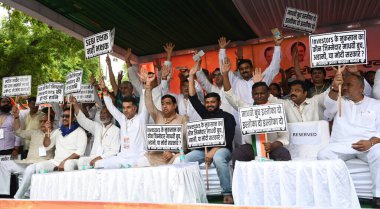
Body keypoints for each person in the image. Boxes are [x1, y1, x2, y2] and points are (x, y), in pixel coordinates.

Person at [317, 71, 380, 208]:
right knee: (323, 155)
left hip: (368, 145)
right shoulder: (339, 102)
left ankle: (377, 196)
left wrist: (371, 142)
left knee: (379, 153)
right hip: (342, 144)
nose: (345, 88)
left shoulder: (376, 105)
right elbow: (328, 106)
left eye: (349, 85)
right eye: (343, 85)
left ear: (361, 88)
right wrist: (334, 88)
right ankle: (336, 194)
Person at [187, 62, 236, 204]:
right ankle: (192, 192)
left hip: (222, 150)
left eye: (212, 102)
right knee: (185, 160)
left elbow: (228, 139)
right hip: (204, 150)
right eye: (207, 102)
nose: (209, 104)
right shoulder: (204, 114)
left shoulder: (228, 117)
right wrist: (191, 76)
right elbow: (192, 97)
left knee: (219, 159)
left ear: (219, 103)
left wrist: (213, 151)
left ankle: (227, 192)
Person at [14, 107, 87, 199]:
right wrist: (48, 133)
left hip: (72, 161)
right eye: (63, 116)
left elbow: (79, 152)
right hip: (56, 161)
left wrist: (64, 162)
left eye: (67, 116)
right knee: (36, 168)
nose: (64, 118)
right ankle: (23, 196)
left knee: (68, 164)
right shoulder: (58, 131)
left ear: (74, 118)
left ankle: (68, 197)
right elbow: (47, 145)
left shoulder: (80, 132)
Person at [97, 75, 150, 168]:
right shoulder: (122, 119)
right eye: (124, 107)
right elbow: (111, 107)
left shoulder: (141, 119)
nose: (125, 110)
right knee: (99, 164)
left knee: (140, 164)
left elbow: (146, 102)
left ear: (135, 108)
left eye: (128, 107)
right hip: (122, 157)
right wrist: (104, 90)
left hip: (138, 157)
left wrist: (146, 85)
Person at [4, 108, 54, 199]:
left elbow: (47, 145)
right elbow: (18, 132)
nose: (42, 123)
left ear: (51, 122)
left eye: (45, 121)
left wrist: (47, 132)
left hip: (42, 163)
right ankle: (25, 195)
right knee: (6, 164)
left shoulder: (55, 133)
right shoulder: (34, 132)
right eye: (41, 121)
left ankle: (19, 196)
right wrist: (16, 117)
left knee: (28, 171)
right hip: (28, 162)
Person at [219, 34, 282, 105]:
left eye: (247, 68)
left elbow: (273, 67)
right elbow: (224, 70)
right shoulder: (236, 82)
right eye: (241, 69)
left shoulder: (261, 79)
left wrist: (277, 46)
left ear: (252, 68)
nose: (244, 70)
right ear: (239, 71)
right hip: (242, 114)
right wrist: (222, 50)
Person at [143, 72, 187, 166]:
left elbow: (185, 144)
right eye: (163, 104)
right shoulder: (158, 115)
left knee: (180, 159)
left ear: (175, 105)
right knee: (142, 159)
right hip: (158, 155)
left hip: (175, 155)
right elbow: (148, 103)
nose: (164, 106)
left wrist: (173, 153)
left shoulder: (182, 119)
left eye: (168, 103)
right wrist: (148, 85)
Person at [71, 96, 120, 169]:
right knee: (81, 161)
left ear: (111, 115)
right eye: (101, 113)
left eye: (105, 113)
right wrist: (75, 104)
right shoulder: (97, 127)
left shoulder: (116, 130)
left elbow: (114, 151)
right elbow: (83, 120)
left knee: (96, 164)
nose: (102, 115)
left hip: (106, 160)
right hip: (93, 158)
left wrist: (99, 158)